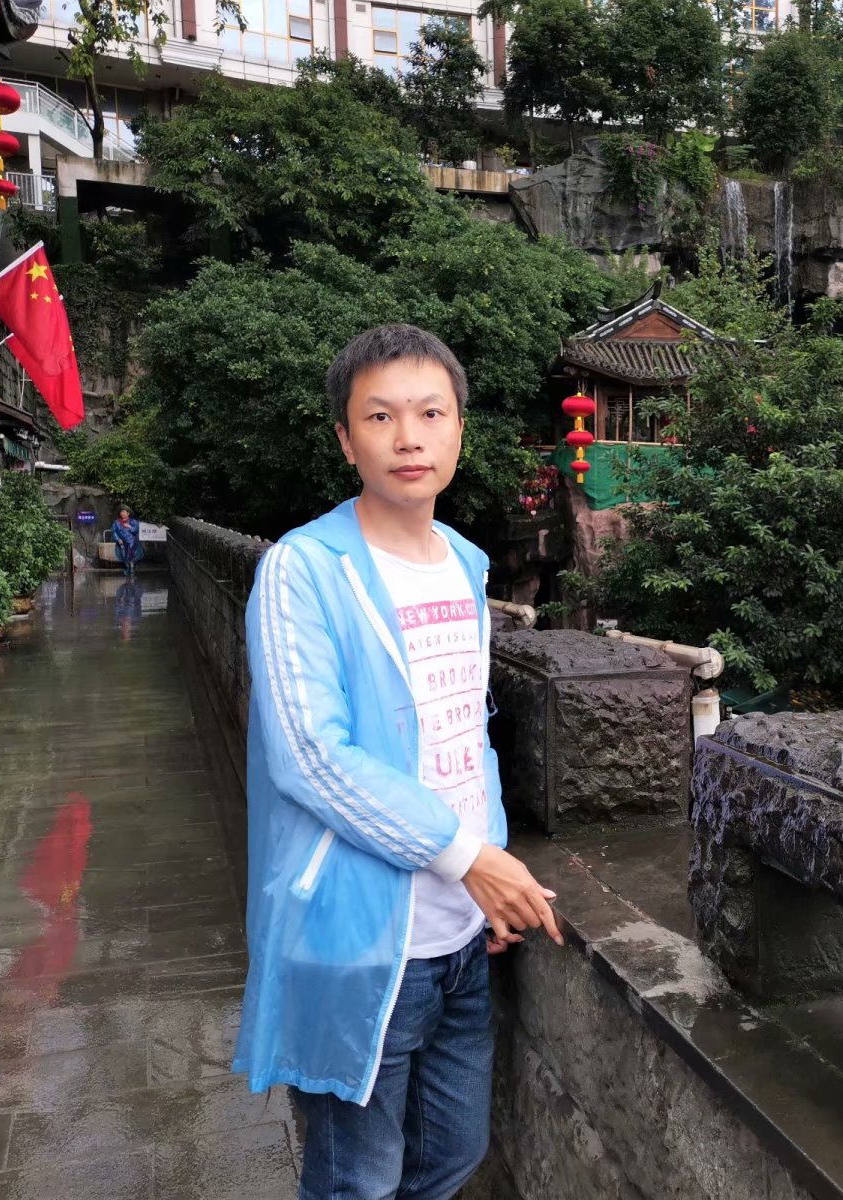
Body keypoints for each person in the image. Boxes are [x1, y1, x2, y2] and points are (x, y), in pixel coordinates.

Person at [234, 325, 563, 1200]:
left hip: (461, 933)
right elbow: (311, 756)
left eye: (430, 414)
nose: (408, 437)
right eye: (380, 417)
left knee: (449, 1159)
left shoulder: (466, 563)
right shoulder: (303, 571)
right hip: (361, 941)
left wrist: (489, 868)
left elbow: (467, 733)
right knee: (358, 1181)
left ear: (459, 430)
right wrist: (469, 858)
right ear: (347, 440)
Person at [110, 508, 143, 577]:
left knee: (131, 555)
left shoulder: (133, 521)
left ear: (128, 513)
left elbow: (136, 530)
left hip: (132, 542)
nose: (122, 513)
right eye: (121, 512)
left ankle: (131, 568)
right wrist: (118, 539)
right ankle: (128, 568)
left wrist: (129, 527)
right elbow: (114, 531)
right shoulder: (116, 522)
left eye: (124, 512)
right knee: (124, 555)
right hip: (122, 542)